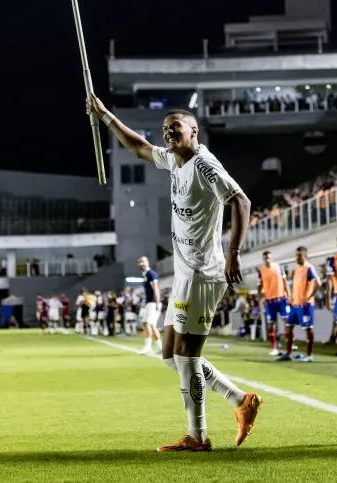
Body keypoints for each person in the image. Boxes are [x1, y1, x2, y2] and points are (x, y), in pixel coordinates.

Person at [88, 94, 262, 452]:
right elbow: (138, 146)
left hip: (202, 271)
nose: (168, 133)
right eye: (166, 129)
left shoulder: (204, 165)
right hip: (184, 273)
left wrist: (234, 253)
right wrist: (104, 115)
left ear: (194, 131)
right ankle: (241, 400)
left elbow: (241, 201)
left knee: (187, 355)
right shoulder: (173, 160)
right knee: (169, 353)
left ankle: (197, 436)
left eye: (176, 128)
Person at [283, 246, 320, 362]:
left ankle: (309, 355)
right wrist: (291, 297)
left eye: (299, 255)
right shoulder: (296, 269)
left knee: (308, 330)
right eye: (296, 255)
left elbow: (318, 283)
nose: (297, 258)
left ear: (305, 255)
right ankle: (289, 353)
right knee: (288, 328)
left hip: (306, 305)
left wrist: (309, 297)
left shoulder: (309, 268)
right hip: (295, 305)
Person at [257, 251, 290, 358]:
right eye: (265, 258)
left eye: (269, 258)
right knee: (271, 324)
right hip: (269, 300)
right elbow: (259, 286)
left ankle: (289, 344)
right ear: (263, 259)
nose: (267, 259)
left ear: (271, 258)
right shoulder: (261, 270)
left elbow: (285, 282)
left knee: (287, 322)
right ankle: (274, 348)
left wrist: (289, 295)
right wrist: (259, 299)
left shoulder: (278, 267)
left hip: (282, 299)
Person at [137, 257, 163, 355]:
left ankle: (147, 347)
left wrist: (157, 303)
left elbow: (156, 288)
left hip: (153, 303)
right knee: (150, 325)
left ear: (147, 262)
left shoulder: (151, 274)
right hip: (149, 303)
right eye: (139, 262)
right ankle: (159, 347)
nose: (140, 263)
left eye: (142, 261)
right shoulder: (145, 275)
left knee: (147, 323)